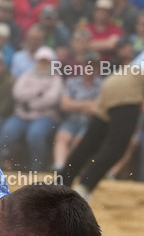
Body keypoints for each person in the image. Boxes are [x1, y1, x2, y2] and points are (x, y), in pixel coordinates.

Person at [61, 61, 144, 200]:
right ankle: (84, 187)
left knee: (90, 142)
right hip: (128, 89)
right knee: (116, 147)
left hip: (113, 81)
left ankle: (61, 182)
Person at [0, 47, 64, 172]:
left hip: (45, 116)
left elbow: (52, 99)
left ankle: (37, 168)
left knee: (35, 135)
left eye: (46, 62)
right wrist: (38, 93)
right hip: (21, 114)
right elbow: (17, 92)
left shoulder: (56, 78)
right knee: (6, 132)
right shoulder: (27, 74)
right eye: (40, 61)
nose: (42, 64)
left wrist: (31, 104)